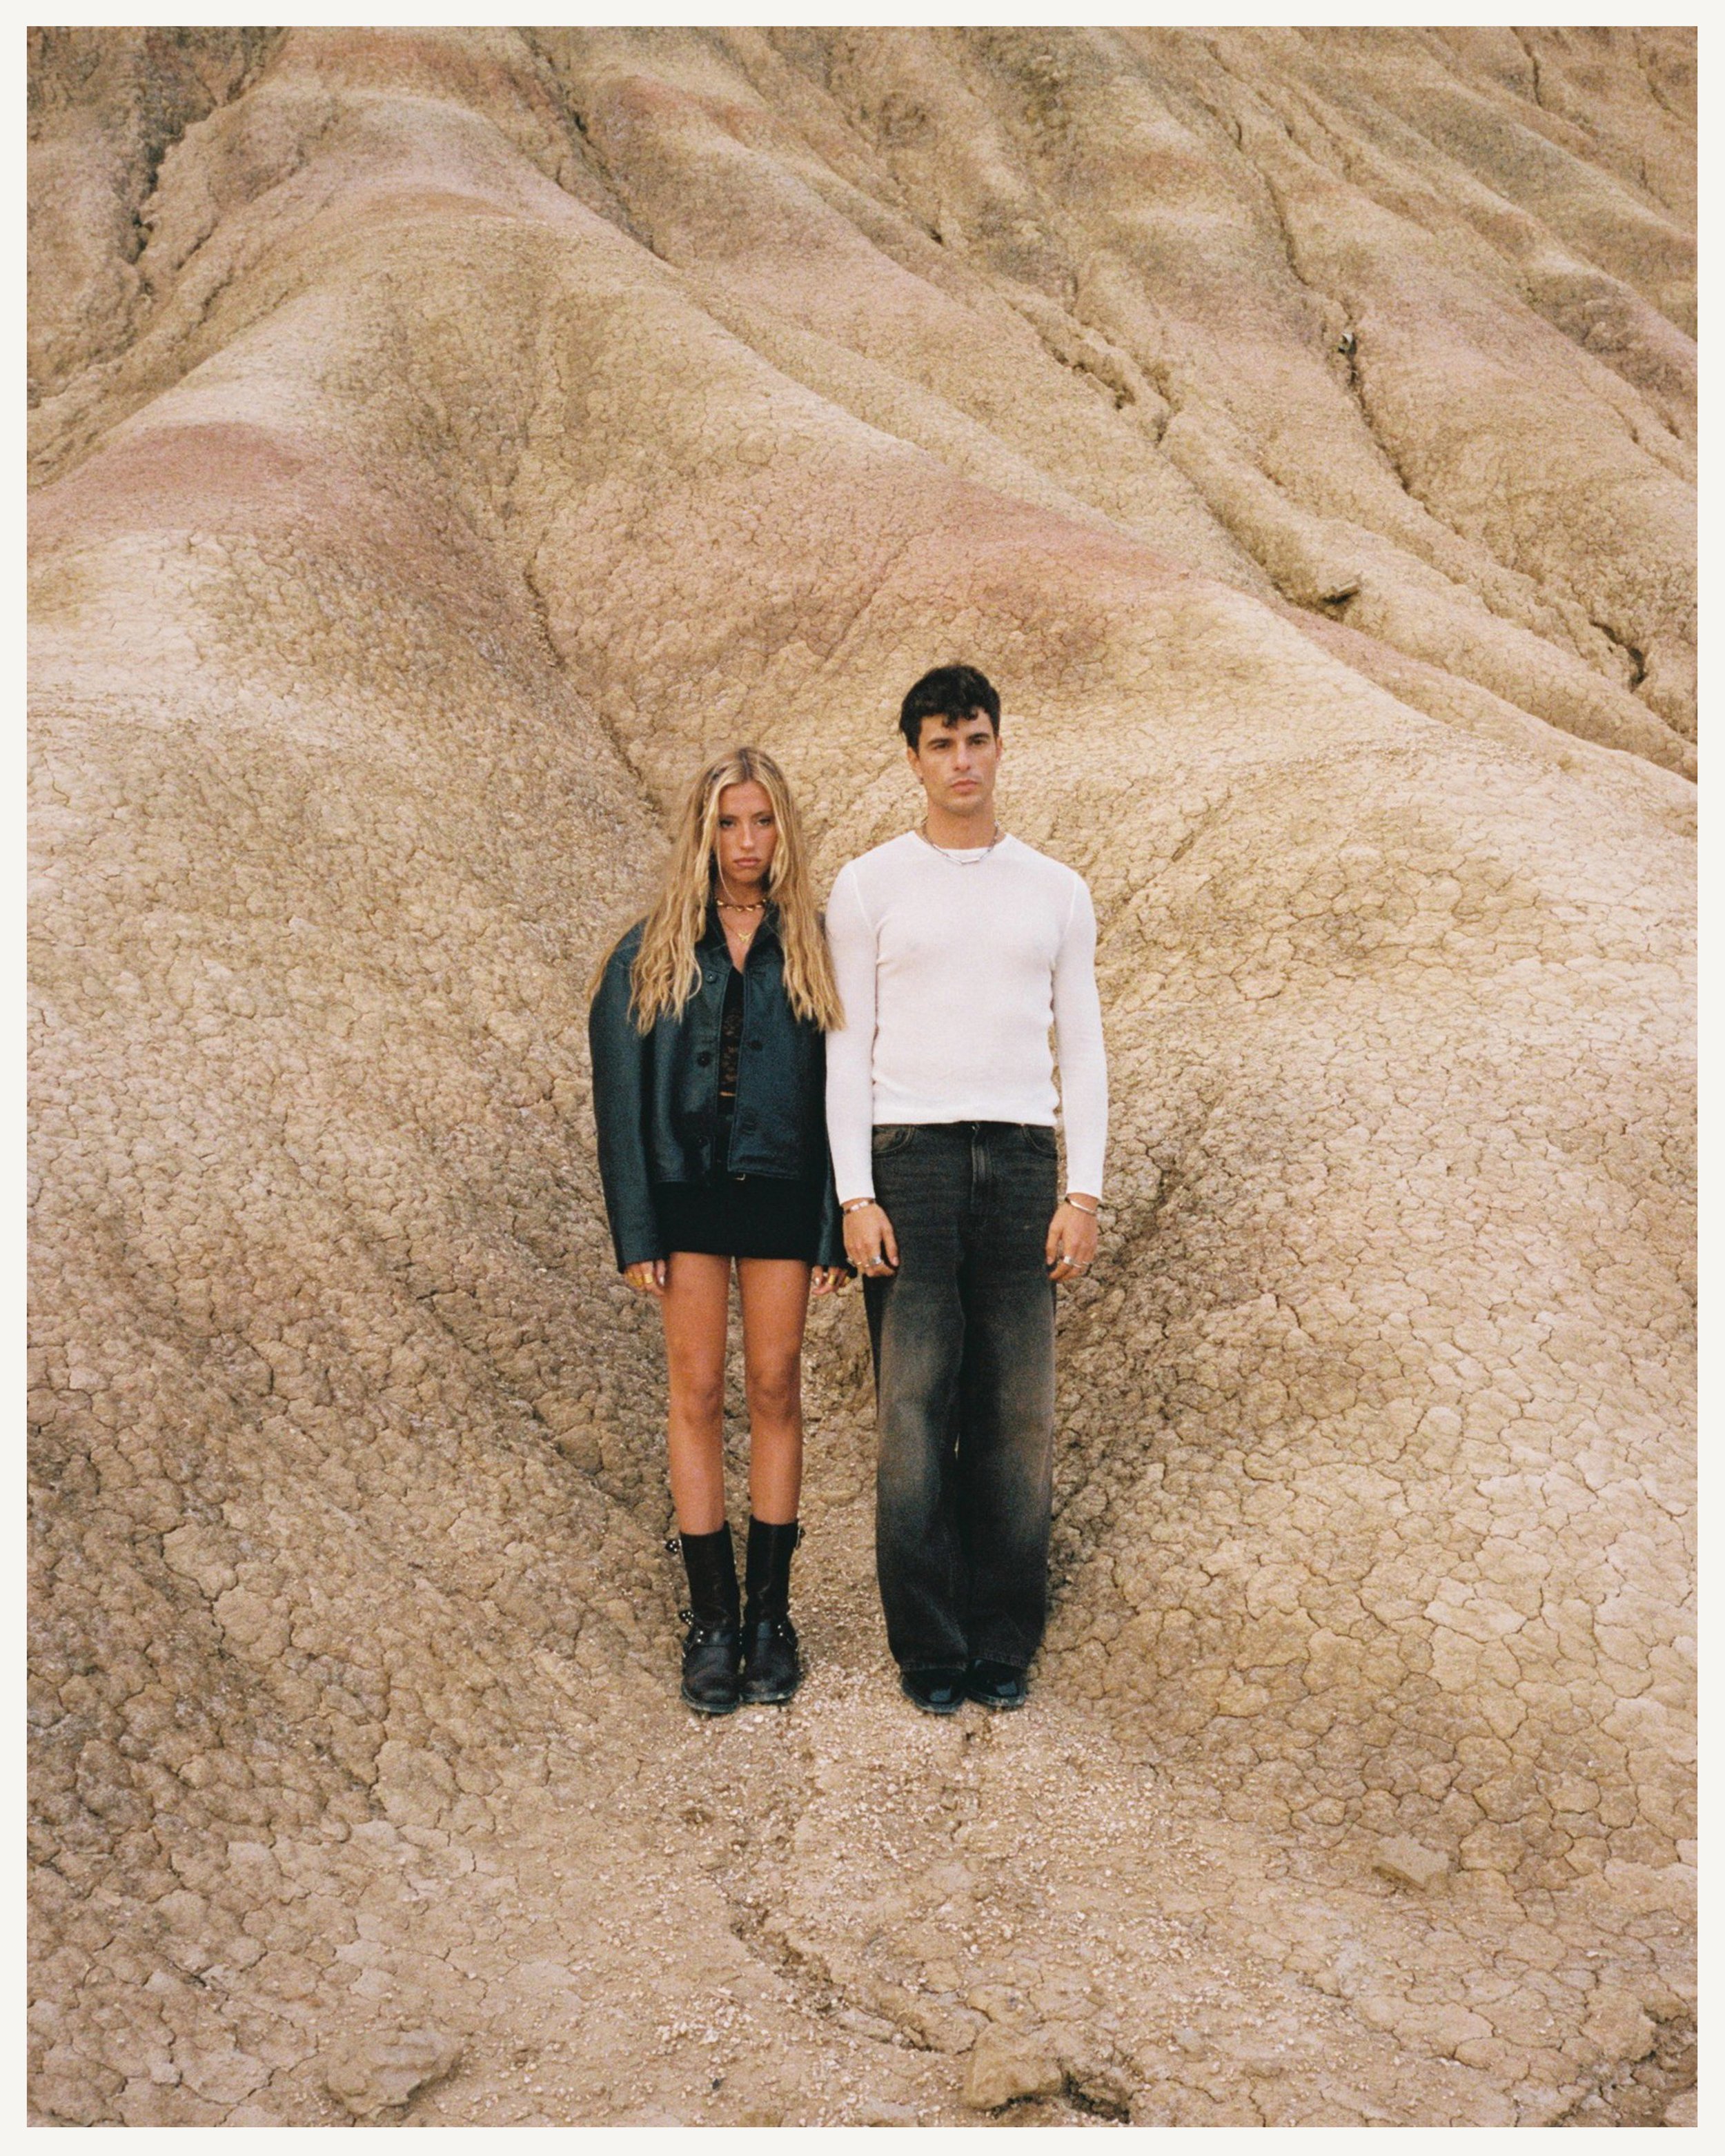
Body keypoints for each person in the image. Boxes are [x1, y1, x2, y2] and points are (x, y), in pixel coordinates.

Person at [825, 664, 1107, 1715]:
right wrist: (857, 1193)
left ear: (1000, 746)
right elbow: (844, 1050)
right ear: (912, 758)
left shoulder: (1056, 890)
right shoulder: (868, 887)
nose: (960, 762)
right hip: (913, 1159)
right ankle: (930, 1646)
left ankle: (1003, 1638)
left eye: (975, 739)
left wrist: (1084, 1190)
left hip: (1025, 1159)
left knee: (1017, 1414)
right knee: (912, 1409)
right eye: (939, 744)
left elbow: (1082, 1045)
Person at [589, 748, 849, 1717]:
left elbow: (845, 1093)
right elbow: (620, 1101)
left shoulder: (822, 946)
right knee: (696, 1390)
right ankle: (712, 1619)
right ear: (704, 832)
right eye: (730, 824)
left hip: (784, 1189)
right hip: (686, 1191)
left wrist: (831, 1223)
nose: (747, 843)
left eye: (763, 822)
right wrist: (637, 1223)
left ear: (784, 829)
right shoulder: (646, 948)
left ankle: (773, 1619)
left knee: (776, 1385)